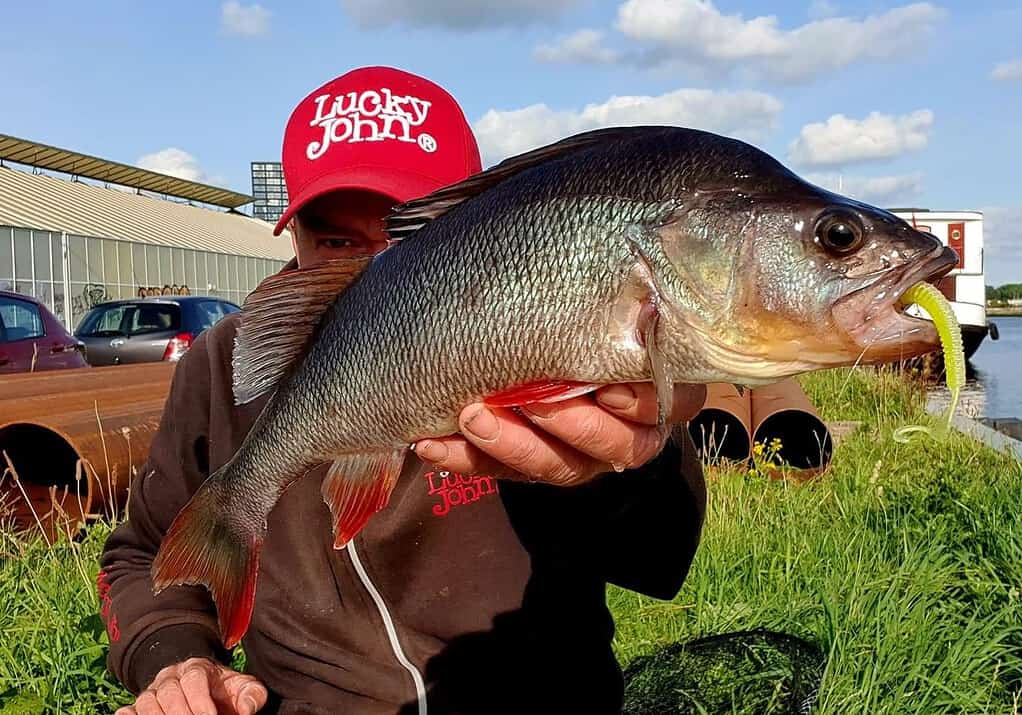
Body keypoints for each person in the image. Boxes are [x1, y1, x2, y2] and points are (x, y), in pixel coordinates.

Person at [99, 66, 708, 715]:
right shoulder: (221, 363)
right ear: (293, 233)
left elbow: (659, 556)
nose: (370, 269)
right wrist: (175, 658)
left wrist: (630, 458)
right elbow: (139, 555)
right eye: (333, 240)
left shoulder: (551, 334)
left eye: (406, 237)